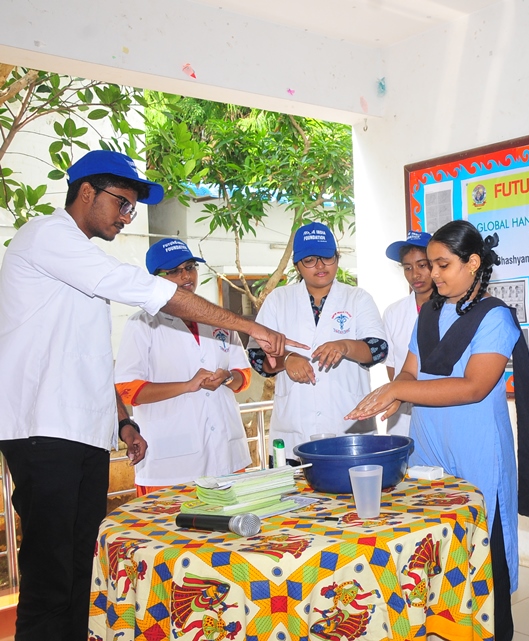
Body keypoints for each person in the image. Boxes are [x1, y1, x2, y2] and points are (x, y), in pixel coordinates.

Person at [0, 150, 300, 641]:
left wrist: (122, 423)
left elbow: (87, 361)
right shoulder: (48, 235)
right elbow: (143, 291)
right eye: (121, 203)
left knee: (82, 569)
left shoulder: (79, 263)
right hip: (42, 432)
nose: (126, 216)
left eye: (132, 208)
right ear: (86, 192)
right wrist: (251, 325)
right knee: (51, 578)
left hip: (81, 435)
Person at [346, 220, 529, 641]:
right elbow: (412, 371)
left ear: (472, 263)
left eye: (442, 264)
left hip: (477, 450)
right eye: (430, 265)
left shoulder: (495, 317)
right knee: (433, 554)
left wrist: (400, 387)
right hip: (429, 447)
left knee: (485, 561)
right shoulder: (428, 314)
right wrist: (391, 395)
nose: (432, 274)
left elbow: (473, 386)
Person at [114, 238, 253, 495]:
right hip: (171, 463)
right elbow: (127, 390)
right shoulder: (142, 324)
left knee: (232, 533)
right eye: (174, 271)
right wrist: (187, 386)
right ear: (154, 279)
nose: (186, 276)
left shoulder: (218, 318)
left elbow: (243, 377)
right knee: (168, 535)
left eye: (190, 267)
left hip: (226, 456)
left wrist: (226, 377)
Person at [248, 222, 388, 461]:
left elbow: (378, 349)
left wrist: (345, 346)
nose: (320, 266)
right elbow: (257, 357)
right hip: (293, 433)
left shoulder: (358, 298)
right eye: (310, 260)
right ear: (297, 265)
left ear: (337, 257)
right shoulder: (278, 300)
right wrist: (287, 360)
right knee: (293, 496)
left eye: (327, 258)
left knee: (352, 496)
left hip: (348, 431)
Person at [380, 230, 433, 435]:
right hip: (402, 417)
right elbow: (394, 370)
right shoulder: (393, 313)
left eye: (422, 265)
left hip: (441, 413)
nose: (415, 275)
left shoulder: (453, 310)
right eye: (408, 267)